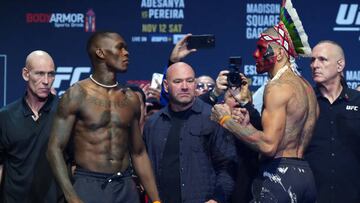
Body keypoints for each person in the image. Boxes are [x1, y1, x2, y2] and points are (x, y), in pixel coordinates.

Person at [211, 1, 319, 201]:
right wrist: (247, 107)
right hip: (304, 176)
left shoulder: (276, 88)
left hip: (280, 177)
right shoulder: (306, 88)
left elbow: (269, 145)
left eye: (261, 49)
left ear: (278, 53)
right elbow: (286, 132)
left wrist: (226, 120)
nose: (255, 54)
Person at [46, 31, 161, 203]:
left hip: (125, 186)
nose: (126, 53)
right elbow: (54, 149)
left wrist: (156, 200)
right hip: (89, 185)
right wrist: (71, 197)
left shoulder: (130, 98)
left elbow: (138, 152)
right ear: (100, 53)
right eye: (120, 48)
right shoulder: (77, 94)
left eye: (126, 49)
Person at [143, 62, 237, 203]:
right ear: (166, 86)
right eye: (178, 81)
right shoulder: (153, 123)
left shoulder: (213, 117)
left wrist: (217, 199)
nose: (185, 86)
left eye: (190, 81)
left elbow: (228, 165)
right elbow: (146, 169)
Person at [0, 50, 62, 202]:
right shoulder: (6, 116)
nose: (46, 81)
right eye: (39, 74)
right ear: (25, 74)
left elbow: (76, 164)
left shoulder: (64, 114)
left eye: (51, 74)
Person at [304, 40, 360, 203]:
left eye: (322, 59)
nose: (315, 65)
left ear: (340, 65)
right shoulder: (304, 102)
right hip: (312, 197)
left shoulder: (357, 101)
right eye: (312, 60)